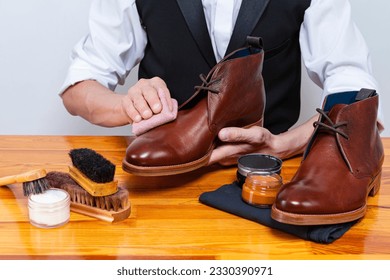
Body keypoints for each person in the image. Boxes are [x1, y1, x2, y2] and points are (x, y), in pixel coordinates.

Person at [60, 0, 383, 166]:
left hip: (270, 167)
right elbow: (79, 87)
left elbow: (352, 82)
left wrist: (286, 145)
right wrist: (126, 105)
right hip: (160, 165)